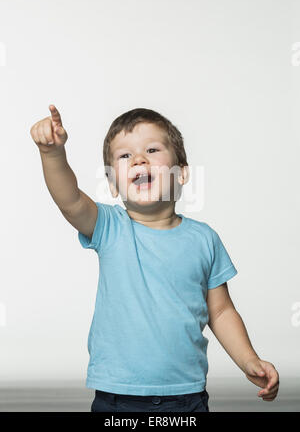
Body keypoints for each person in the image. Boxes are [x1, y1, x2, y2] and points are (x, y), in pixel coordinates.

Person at [30, 104, 279, 412]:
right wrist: (52, 154)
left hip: (185, 396)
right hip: (118, 397)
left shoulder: (204, 239)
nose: (138, 159)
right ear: (112, 183)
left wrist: (248, 359)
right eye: (125, 156)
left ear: (182, 173)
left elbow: (222, 312)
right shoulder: (110, 227)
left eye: (152, 149)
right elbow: (69, 200)